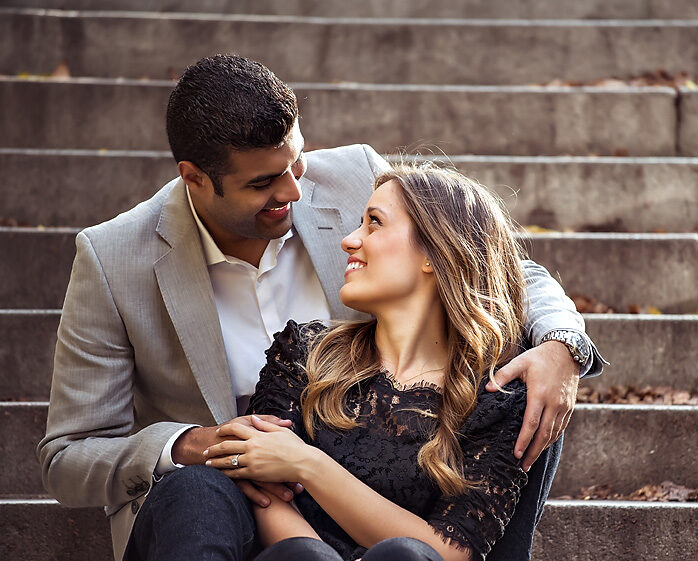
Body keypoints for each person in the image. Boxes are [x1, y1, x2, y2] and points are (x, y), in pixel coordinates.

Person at [37, 54, 605, 561]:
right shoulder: (114, 258)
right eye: (263, 182)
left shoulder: (357, 175)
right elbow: (68, 457)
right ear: (195, 179)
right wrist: (186, 444)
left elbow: (484, 259)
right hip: (233, 510)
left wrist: (562, 345)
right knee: (196, 489)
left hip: (391, 495)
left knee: (526, 386)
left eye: (297, 162)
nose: (293, 192)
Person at [204, 164, 541, 561]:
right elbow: (266, 493)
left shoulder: (496, 400)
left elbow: (447, 553)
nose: (349, 241)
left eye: (374, 224)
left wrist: (307, 463)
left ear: (434, 252)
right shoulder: (304, 353)